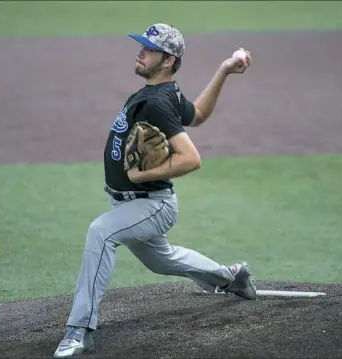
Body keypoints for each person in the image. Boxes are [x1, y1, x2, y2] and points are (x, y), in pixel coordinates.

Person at [53, 23, 256, 358]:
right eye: (142, 46)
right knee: (163, 260)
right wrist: (224, 71)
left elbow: (191, 158)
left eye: (149, 49)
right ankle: (231, 278)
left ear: (168, 60)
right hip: (131, 204)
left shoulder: (158, 102)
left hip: (151, 204)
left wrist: (144, 175)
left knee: (100, 233)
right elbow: (199, 114)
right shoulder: (167, 93)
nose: (141, 52)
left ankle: (78, 331)